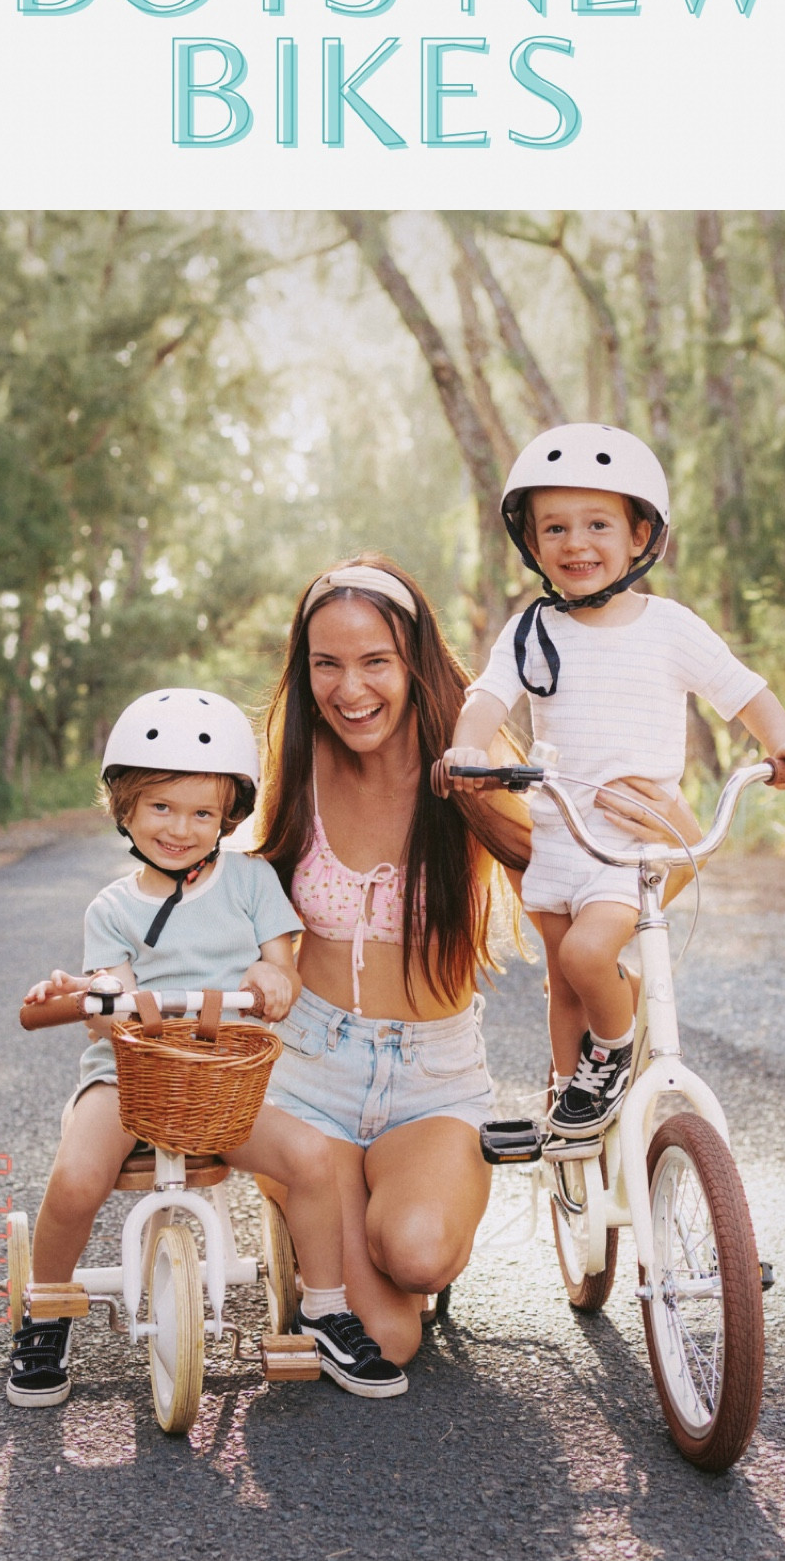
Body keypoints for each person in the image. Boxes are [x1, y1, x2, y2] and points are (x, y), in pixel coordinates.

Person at [253, 554, 698, 1367]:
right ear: (305, 668)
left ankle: (367, 1217)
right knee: (388, 1341)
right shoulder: (295, 769)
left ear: (413, 661)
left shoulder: (468, 766)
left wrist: (680, 845)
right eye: (328, 665)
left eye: (374, 662)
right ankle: (314, 1203)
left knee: (417, 1253)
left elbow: (582, 871)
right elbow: (221, 889)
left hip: (430, 1080)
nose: (350, 690)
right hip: (307, 1074)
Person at [9, 688, 407, 1408]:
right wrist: (91, 992)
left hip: (226, 1083)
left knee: (314, 1161)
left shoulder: (252, 883)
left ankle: (324, 1308)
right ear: (124, 808)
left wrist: (271, 975)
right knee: (74, 1178)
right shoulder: (113, 907)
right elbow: (110, 994)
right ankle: (45, 1309)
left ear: (229, 817)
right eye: (161, 807)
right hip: (129, 1078)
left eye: (202, 813)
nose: (181, 827)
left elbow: (280, 965)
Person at [447, 422, 785, 1148]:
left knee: (589, 957)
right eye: (553, 527)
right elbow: (490, 697)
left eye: (597, 524)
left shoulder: (669, 627)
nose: (575, 543)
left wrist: (784, 744)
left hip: (631, 842)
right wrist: (467, 747)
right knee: (564, 983)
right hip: (561, 836)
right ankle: (572, 1119)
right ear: (531, 543)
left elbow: (743, 692)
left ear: (638, 534)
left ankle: (612, 1056)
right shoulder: (532, 629)